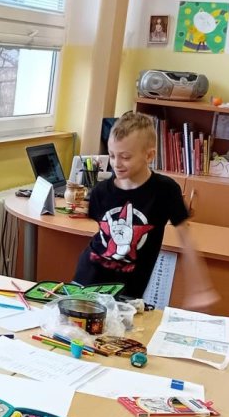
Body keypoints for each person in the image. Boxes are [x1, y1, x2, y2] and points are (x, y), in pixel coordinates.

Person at [73, 112, 217, 308]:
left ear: (149, 155)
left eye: (125, 157)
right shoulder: (101, 191)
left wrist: (200, 287)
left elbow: (186, 239)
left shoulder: (165, 190)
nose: (116, 163)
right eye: (112, 155)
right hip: (88, 279)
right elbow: (100, 235)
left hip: (129, 289)